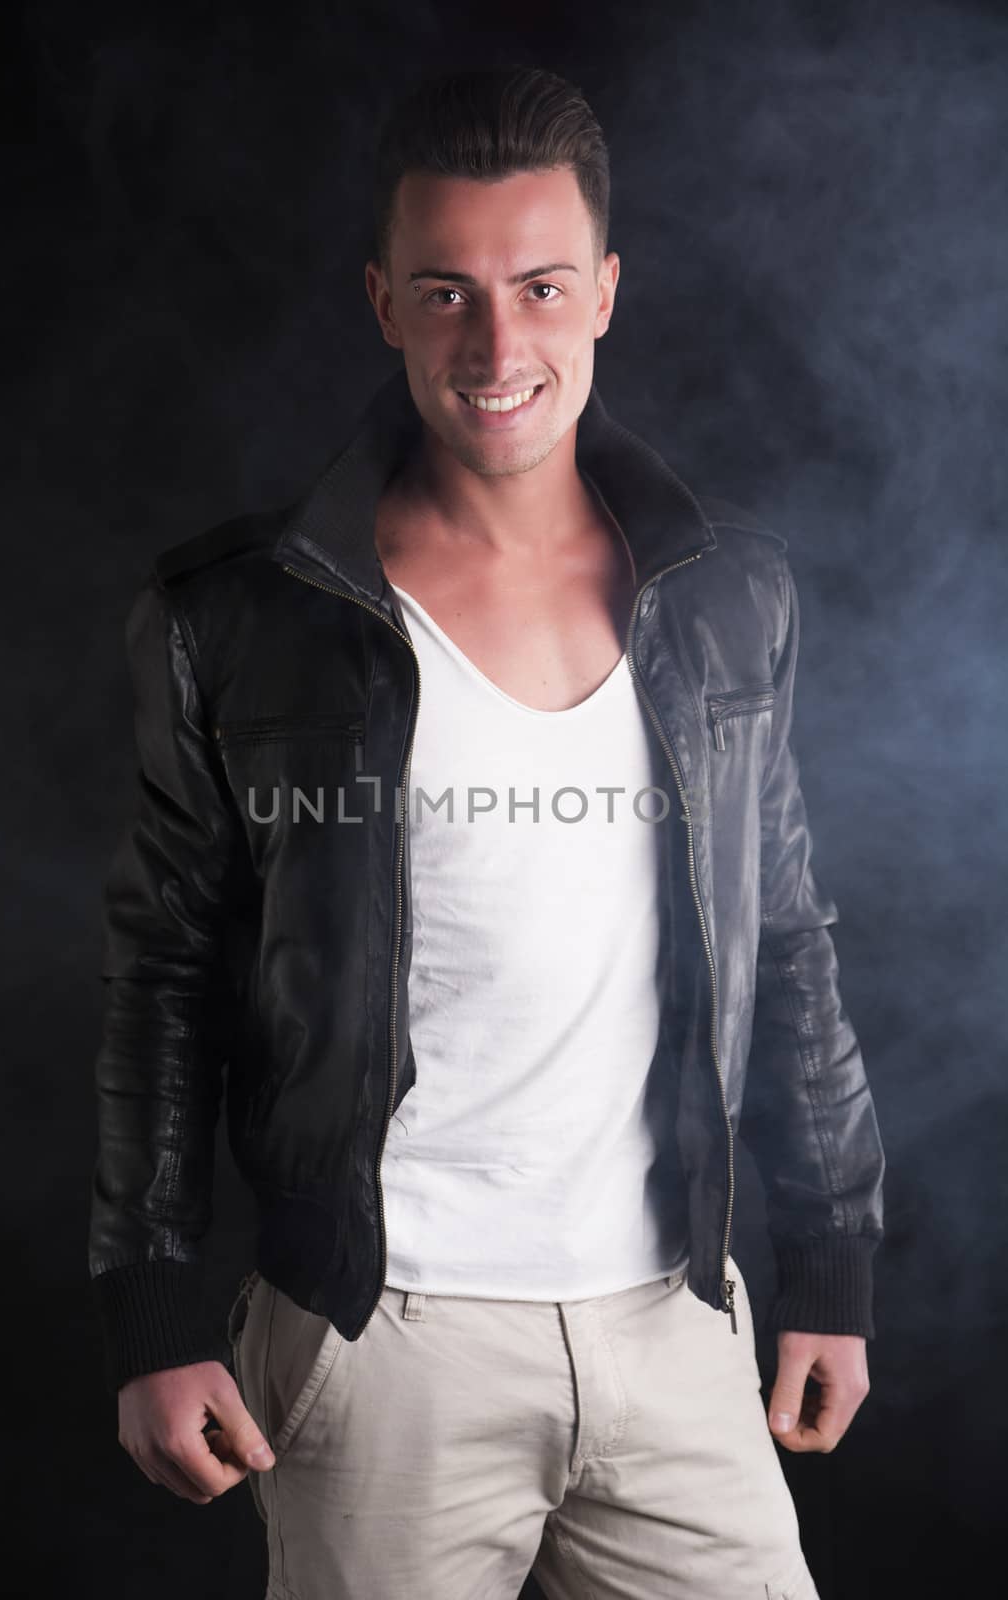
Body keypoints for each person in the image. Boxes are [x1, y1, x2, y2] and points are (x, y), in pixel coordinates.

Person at [89, 63, 886, 1599]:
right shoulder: (244, 619)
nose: (498, 344)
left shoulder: (729, 598)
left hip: (675, 1327)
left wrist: (832, 1259)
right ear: (385, 304)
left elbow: (785, 939)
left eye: (537, 287)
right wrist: (155, 1310)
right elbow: (163, 978)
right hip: (384, 1340)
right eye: (449, 293)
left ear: (603, 293)